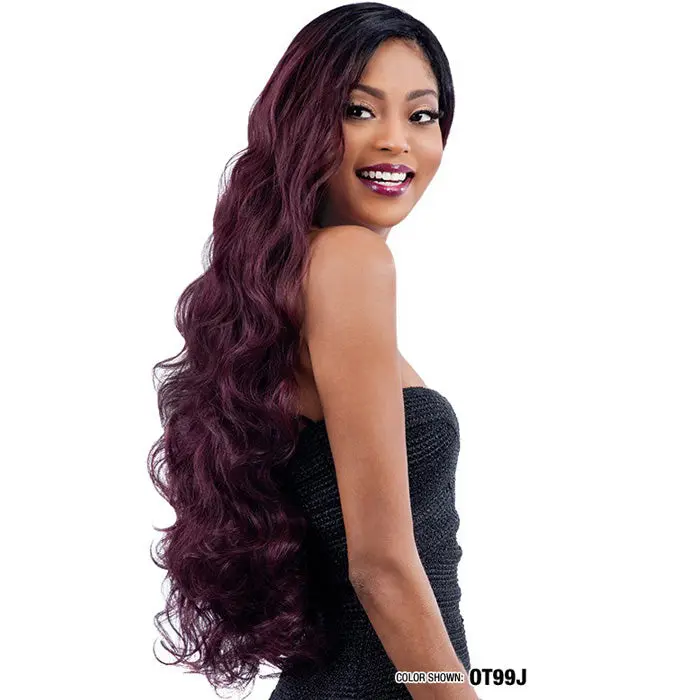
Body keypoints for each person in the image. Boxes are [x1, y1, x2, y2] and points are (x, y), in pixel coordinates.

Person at [148, 3, 480, 699]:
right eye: (360, 111)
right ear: (303, 121)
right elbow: (382, 568)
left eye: (422, 115)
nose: (396, 141)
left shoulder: (285, 283)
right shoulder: (352, 262)